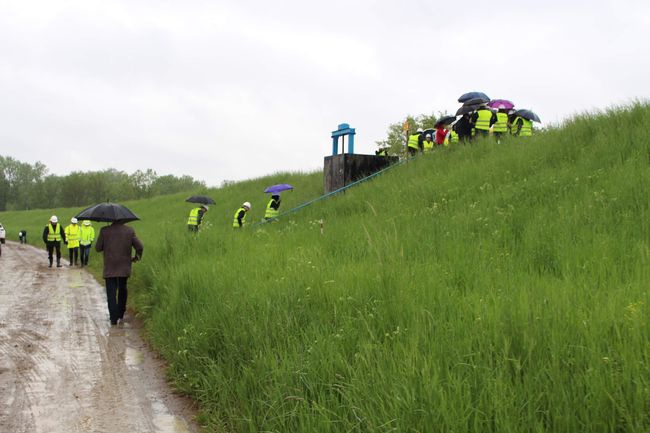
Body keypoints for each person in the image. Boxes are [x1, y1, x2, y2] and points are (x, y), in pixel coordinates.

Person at [95, 220, 144, 325]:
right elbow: (140, 246)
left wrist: (106, 241)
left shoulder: (104, 230)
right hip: (124, 266)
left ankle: (113, 318)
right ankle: (121, 314)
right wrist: (137, 257)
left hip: (110, 267)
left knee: (111, 293)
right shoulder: (129, 231)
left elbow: (98, 248)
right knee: (122, 288)